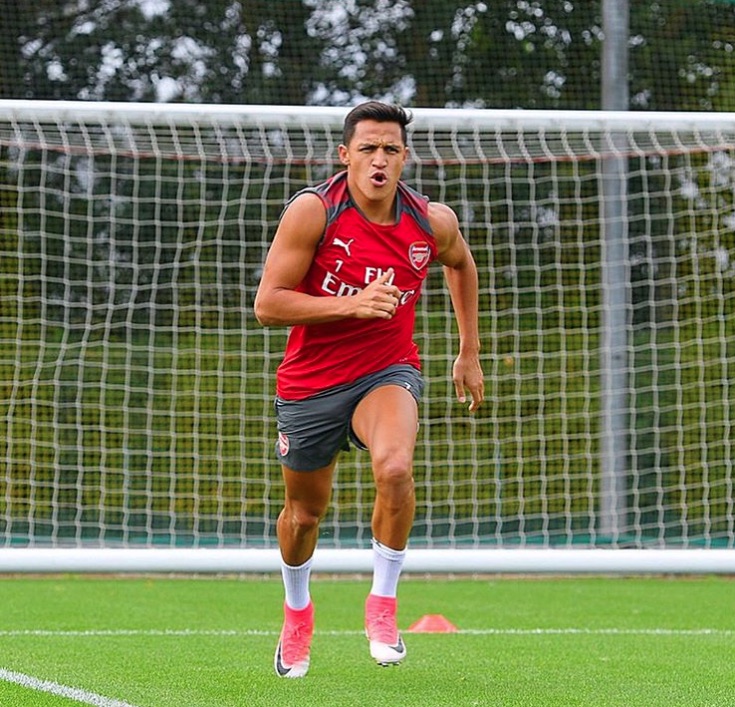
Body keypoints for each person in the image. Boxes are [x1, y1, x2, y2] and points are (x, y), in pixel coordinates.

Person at [254, 101, 484, 678]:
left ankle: (382, 607)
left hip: (387, 372)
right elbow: (268, 304)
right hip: (310, 383)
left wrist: (469, 350)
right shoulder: (314, 211)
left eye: (390, 150)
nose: (379, 161)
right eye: (367, 150)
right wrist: (350, 304)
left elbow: (460, 264)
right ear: (345, 156)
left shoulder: (431, 222)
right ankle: (297, 614)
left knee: (396, 468)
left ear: (404, 157)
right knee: (304, 515)